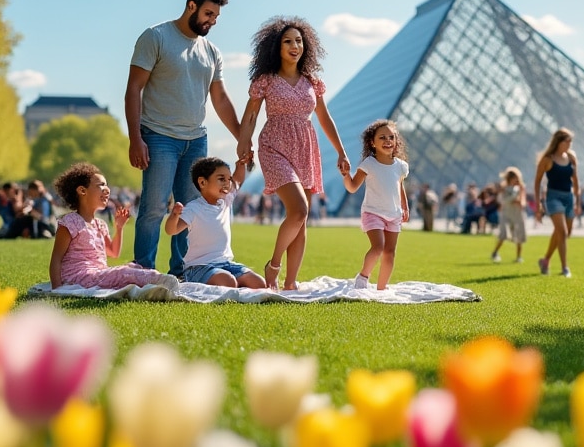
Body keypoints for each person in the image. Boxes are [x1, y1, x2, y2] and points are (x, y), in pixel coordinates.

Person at [128, 0, 243, 277]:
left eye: (216, 17)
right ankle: (143, 272)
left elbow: (220, 98)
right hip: (158, 136)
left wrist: (242, 136)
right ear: (191, 6)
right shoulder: (156, 37)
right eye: (208, 13)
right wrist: (135, 138)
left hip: (196, 140)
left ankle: (181, 272)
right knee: (154, 208)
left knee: (189, 210)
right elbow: (134, 89)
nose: (212, 21)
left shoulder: (212, 51)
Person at [237, 16, 350, 291]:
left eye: (298, 40)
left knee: (301, 218)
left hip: (306, 147)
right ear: (277, 47)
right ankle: (273, 265)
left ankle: (290, 282)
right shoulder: (265, 80)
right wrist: (244, 142)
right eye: (288, 41)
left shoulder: (313, 81)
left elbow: (324, 118)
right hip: (274, 145)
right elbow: (251, 115)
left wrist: (341, 152)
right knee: (299, 209)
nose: (294, 45)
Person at [49, 162, 180, 293]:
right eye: (101, 185)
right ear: (82, 190)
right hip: (78, 277)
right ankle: (162, 282)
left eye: (106, 185)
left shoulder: (100, 224)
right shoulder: (70, 222)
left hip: (98, 274)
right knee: (123, 273)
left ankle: (158, 282)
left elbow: (113, 252)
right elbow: (56, 259)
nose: (107, 189)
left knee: (134, 267)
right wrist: (57, 289)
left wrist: (119, 227)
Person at [164, 157, 265, 288]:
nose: (227, 183)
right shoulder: (193, 208)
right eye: (221, 179)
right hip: (199, 266)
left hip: (226, 263)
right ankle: (198, 280)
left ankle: (229, 282)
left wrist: (241, 165)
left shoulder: (226, 200)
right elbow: (171, 230)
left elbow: (238, 180)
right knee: (228, 282)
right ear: (202, 182)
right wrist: (175, 215)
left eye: (229, 179)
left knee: (259, 284)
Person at [341, 120, 409, 290]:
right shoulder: (368, 164)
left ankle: (381, 288)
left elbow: (399, 187)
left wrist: (405, 207)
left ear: (396, 142)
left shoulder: (401, 166)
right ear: (372, 142)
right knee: (378, 247)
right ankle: (363, 277)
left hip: (394, 214)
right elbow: (352, 187)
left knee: (390, 252)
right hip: (373, 213)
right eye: (382, 137)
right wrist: (346, 175)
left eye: (391, 137)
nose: (387, 141)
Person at [534, 128, 580, 277]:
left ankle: (545, 260)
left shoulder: (572, 157)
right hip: (553, 197)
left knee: (565, 233)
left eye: (571, 141)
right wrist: (538, 204)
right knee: (563, 232)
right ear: (559, 142)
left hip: (569, 197)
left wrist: (578, 201)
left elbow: (576, 180)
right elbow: (537, 182)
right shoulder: (548, 159)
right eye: (567, 141)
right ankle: (565, 268)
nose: (569, 144)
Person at [491, 167, 527, 264]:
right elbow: (502, 201)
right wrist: (512, 199)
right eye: (514, 177)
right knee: (504, 235)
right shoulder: (504, 188)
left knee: (519, 235)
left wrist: (520, 202)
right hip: (506, 213)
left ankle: (518, 257)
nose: (516, 180)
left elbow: (523, 201)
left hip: (517, 213)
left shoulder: (520, 188)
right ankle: (495, 252)